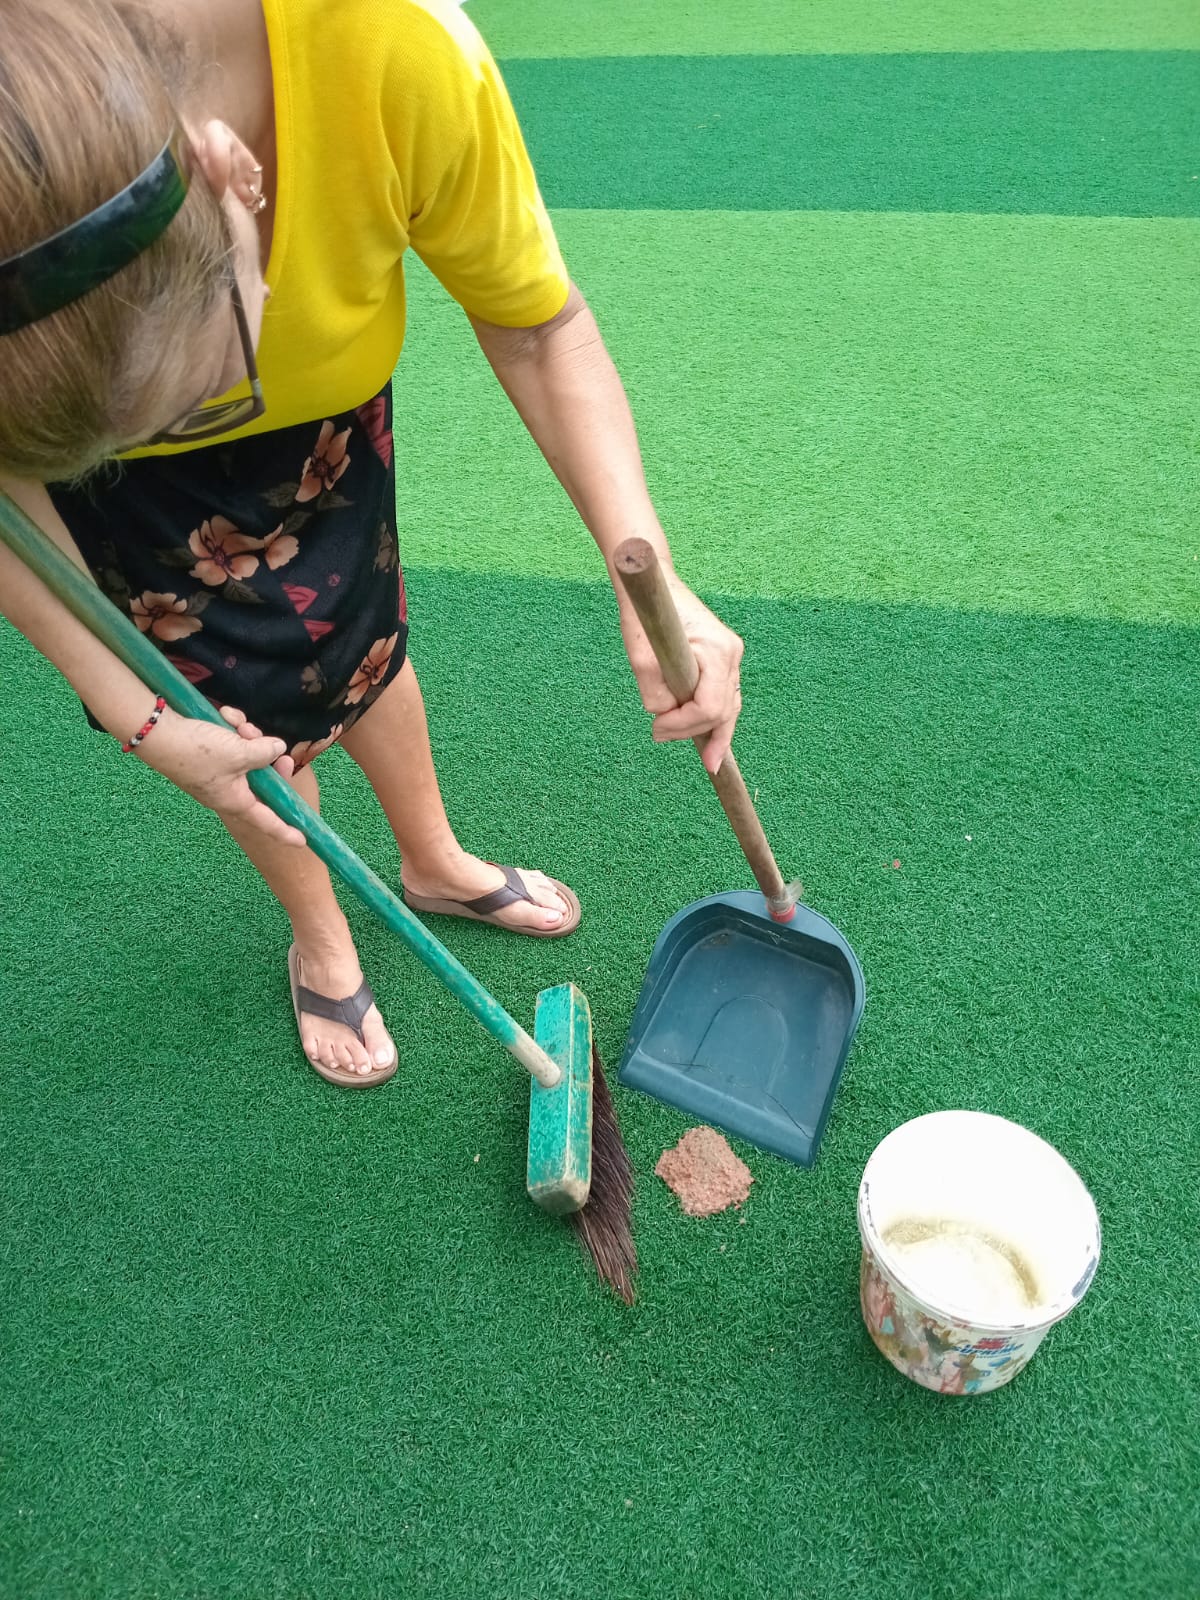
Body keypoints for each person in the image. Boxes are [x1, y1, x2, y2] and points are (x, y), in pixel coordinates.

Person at [0, 0, 743, 1086]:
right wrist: (140, 714)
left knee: (366, 640)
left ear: (232, 173)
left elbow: (540, 326)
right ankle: (323, 934)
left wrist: (651, 574)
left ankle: (432, 861)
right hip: (117, 522)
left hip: (322, 435)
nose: (196, 422)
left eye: (213, 377)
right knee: (243, 733)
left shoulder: (393, 42)